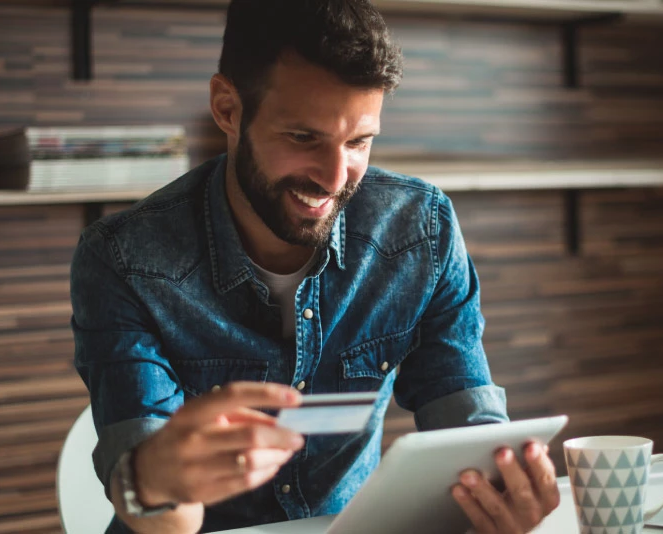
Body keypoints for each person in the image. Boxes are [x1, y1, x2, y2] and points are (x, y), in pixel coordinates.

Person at [70, 1, 561, 533]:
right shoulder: (125, 259)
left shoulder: (420, 230)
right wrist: (158, 481)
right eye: (303, 138)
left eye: (358, 142)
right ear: (228, 109)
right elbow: (161, 516)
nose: (334, 178)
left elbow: (464, 420)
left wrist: (503, 490)